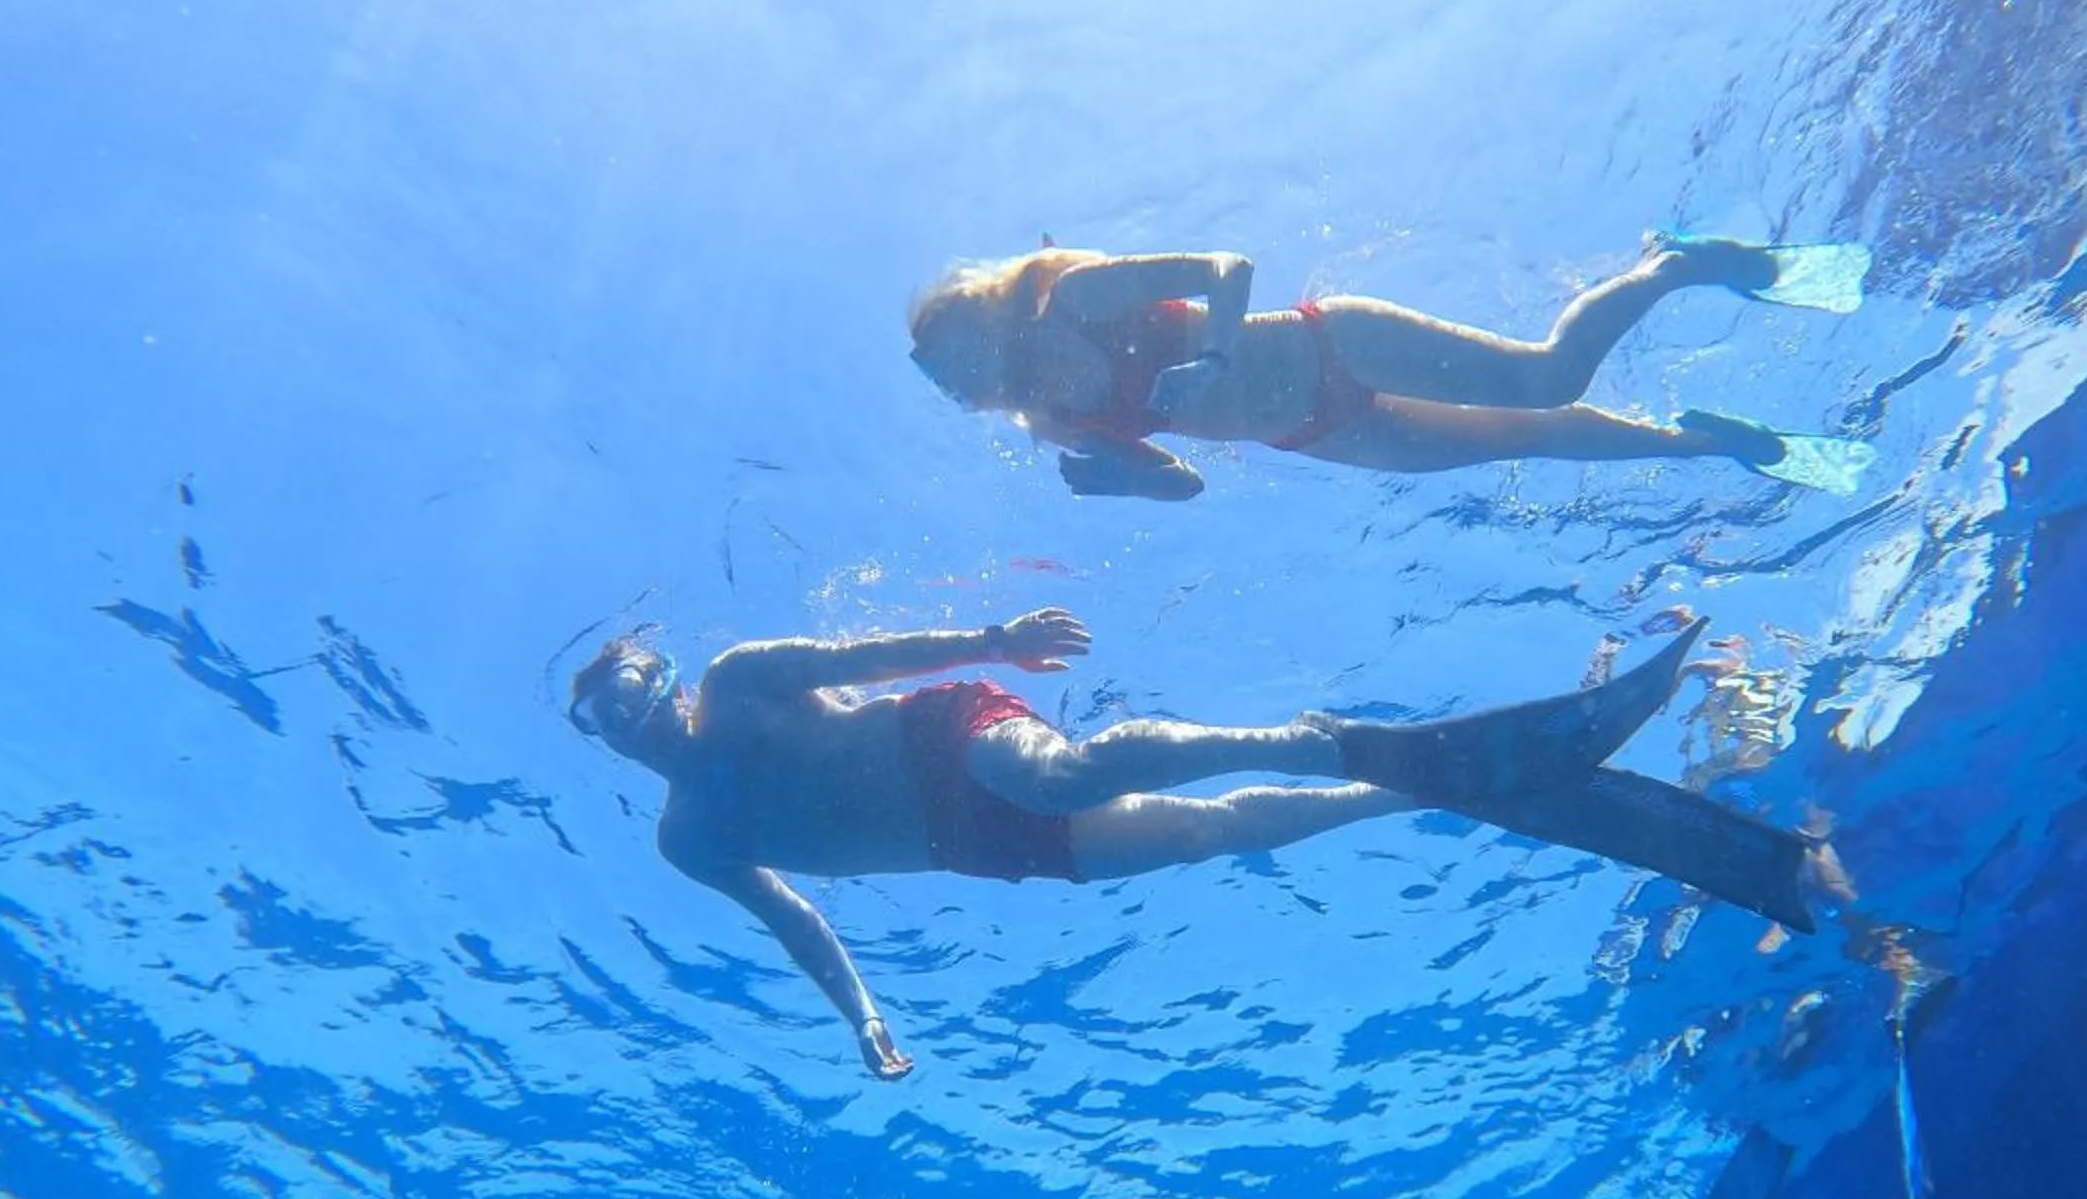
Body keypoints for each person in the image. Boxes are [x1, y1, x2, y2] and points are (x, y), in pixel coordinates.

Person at [565, 608, 1809, 1078]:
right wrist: (863, 1020)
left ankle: (1319, 736)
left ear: (663, 678)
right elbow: (796, 919)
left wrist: (996, 639)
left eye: (631, 686)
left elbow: (863, 660)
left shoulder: (737, 681)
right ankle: (1432, 788)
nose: (631, 714)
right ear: (606, 743)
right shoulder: (694, 837)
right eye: (604, 716)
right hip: (967, 844)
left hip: (950, 746)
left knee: (1066, 770)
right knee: (1212, 837)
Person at [906, 235, 1872, 501]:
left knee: (1548, 381)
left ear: (981, 318)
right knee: (1538, 447)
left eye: (939, 360)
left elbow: (1227, 270)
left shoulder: (1074, 299)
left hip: (1333, 343)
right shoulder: (1056, 425)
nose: (944, 388)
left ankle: (1673, 265)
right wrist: (1130, 486)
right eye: (936, 385)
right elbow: (1186, 483)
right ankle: (1714, 447)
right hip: (1325, 433)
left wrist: (1210, 356)